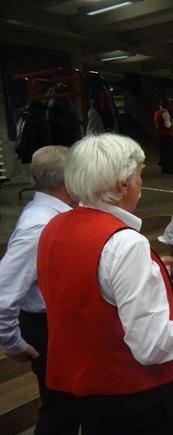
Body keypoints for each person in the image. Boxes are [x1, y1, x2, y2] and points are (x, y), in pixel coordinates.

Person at [36, 134, 173, 435]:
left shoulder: (55, 226)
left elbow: (84, 290)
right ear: (122, 185)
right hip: (132, 397)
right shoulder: (126, 244)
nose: (141, 184)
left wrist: (150, 273)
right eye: (139, 176)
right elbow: (152, 346)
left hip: (84, 386)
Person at [0, 146, 78, 435]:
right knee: (60, 410)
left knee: (66, 406)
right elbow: (4, 291)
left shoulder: (50, 213)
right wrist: (13, 342)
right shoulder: (40, 225)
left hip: (54, 324)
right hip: (46, 328)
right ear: (68, 180)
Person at [153, 98, 173, 173]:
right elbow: (167, 125)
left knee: (163, 153)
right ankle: (170, 169)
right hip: (167, 135)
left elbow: (156, 124)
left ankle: (164, 169)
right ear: (167, 105)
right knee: (170, 152)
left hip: (160, 134)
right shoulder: (165, 113)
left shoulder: (156, 112)